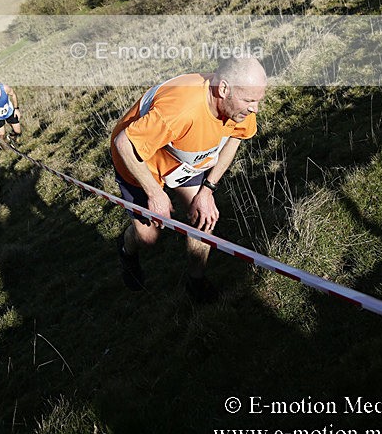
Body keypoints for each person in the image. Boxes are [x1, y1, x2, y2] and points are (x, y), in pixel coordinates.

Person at [111, 56, 267, 303]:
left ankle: (196, 281)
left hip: (186, 157)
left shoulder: (240, 104)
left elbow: (236, 137)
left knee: (204, 219)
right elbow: (124, 144)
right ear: (223, 89)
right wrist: (154, 192)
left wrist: (208, 190)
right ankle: (126, 249)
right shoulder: (181, 109)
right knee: (148, 237)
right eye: (249, 101)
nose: (255, 109)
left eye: (258, 100)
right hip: (139, 159)